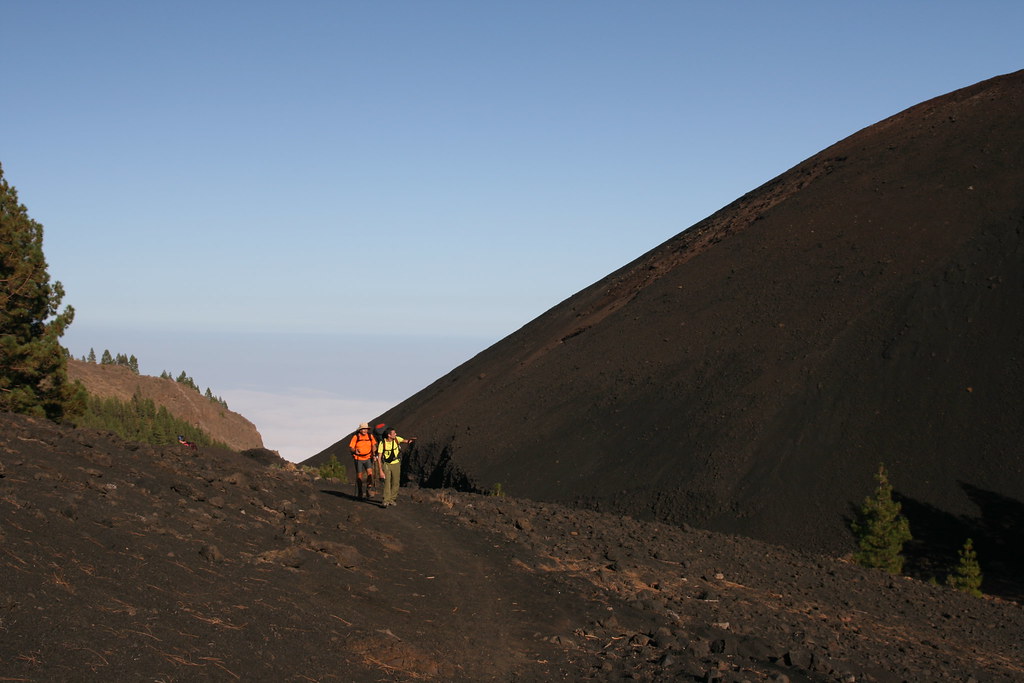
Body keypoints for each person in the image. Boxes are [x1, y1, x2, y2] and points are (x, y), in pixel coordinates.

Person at [376, 428, 415, 507]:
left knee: (396, 482)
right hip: (386, 464)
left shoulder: (397, 439)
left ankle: (392, 499)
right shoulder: (382, 443)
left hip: (396, 464)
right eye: (394, 433)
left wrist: (410, 440)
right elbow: (379, 458)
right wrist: (380, 470)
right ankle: (386, 500)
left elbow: (406, 441)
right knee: (387, 482)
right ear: (389, 435)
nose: (396, 434)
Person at [348, 423, 377, 500]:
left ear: (368, 429)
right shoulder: (356, 437)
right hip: (358, 458)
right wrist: (355, 450)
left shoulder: (370, 436)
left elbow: (374, 445)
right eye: (363, 429)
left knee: (370, 474)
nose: (364, 430)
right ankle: (360, 492)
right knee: (359, 476)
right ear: (360, 430)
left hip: (368, 458)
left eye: (366, 429)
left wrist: (374, 454)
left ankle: (369, 489)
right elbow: (351, 447)